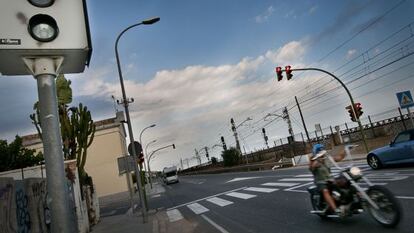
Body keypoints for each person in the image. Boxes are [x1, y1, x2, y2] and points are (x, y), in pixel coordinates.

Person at [309, 144, 346, 216]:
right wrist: (315, 162)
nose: (322, 152)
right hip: (320, 182)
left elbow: (338, 158)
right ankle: (336, 210)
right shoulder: (314, 161)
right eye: (319, 150)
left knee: (345, 182)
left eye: (322, 150)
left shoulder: (327, 159)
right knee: (325, 191)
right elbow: (311, 168)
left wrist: (345, 151)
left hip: (330, 180)